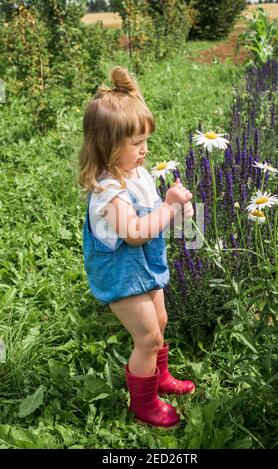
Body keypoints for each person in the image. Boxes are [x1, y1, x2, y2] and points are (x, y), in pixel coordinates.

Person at [78, 66, 196, 429]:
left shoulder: (137, 173)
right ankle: (142, 402)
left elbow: (156, 217)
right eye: (136, 143)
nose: (145, 150)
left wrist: (178, 210)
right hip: (121, 273)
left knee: (160, 322)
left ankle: (158, 377)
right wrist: (168, 208)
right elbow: (134, 232)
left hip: (144, 265)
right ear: (108, 146)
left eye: (146, 140)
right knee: (146, 336)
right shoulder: (108, 192)